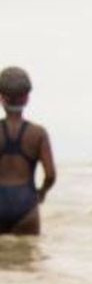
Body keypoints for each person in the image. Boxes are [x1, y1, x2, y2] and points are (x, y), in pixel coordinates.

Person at [0, 66, 55, 236]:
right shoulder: (38, 134)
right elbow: (51, 175)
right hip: (27, 206)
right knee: (27, 259)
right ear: (26, 99)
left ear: (2, 98)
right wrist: (42, 193)